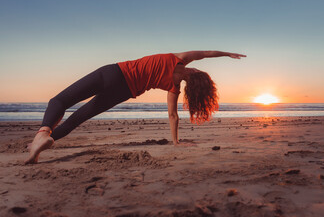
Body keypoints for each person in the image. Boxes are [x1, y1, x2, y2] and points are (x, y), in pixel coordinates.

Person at [25, 51, 246, 164]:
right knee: (79, 117)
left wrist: (226, 53)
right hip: (123, 92)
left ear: (197, 73)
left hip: (115, 73)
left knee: (59, 102)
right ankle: (40, 144)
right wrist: (176, 142)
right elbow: (172, 115)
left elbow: (206, 53)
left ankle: (43, 134)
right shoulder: (174, 87)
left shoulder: (179, 59)